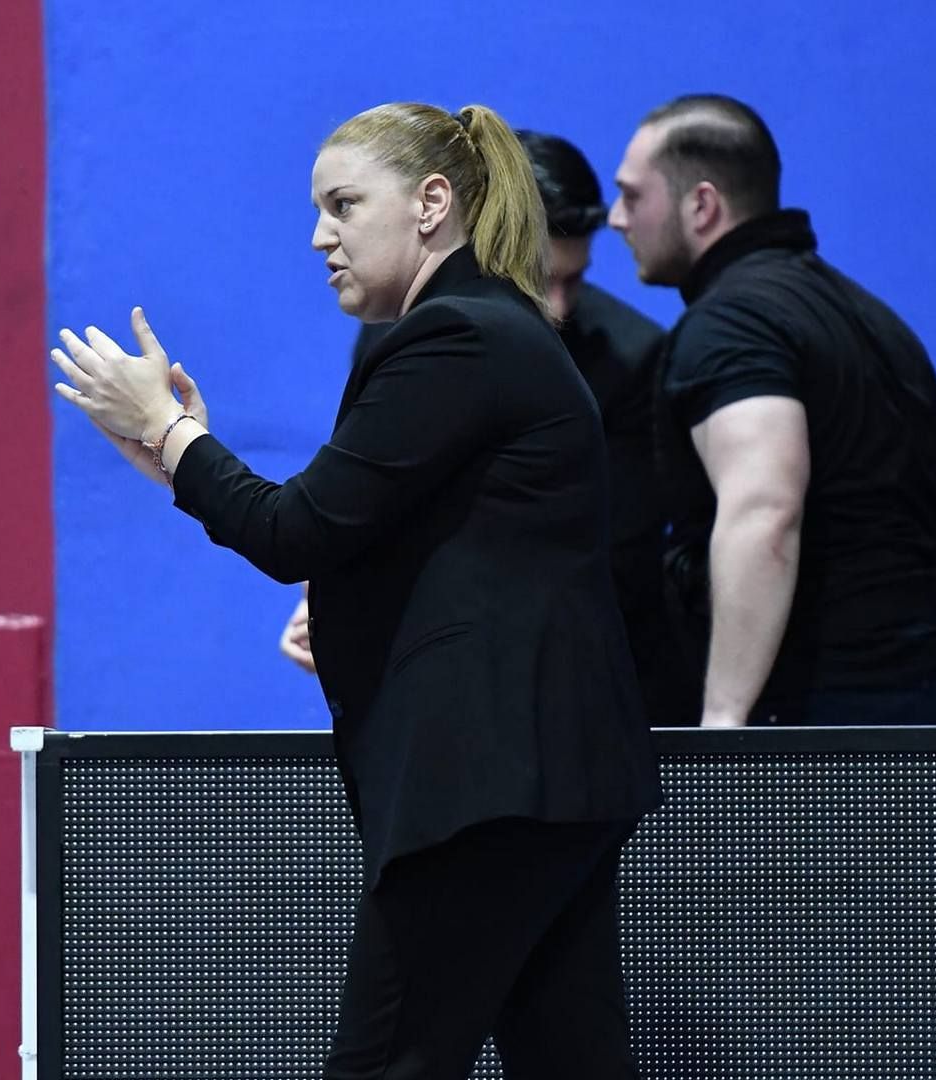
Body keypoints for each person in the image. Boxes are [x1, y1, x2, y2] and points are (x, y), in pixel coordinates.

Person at [51, 101, 659, 1079]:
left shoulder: (456, 337)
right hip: (546, 778)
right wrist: (178, 456)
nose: (318, 236)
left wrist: (171, 431)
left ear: (431, 204)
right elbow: (376, 536)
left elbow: (296, 531)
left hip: (488, 784)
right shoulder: (487, 332)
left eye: (342, 204)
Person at [606, 93, 936, 728]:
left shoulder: (731, 326)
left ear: (701, 205)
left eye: (632, 195)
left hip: (816, 729)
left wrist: (724, 720)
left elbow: (766, 509)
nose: (617, 218)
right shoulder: (877, 320)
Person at [280, 129, 690, 724]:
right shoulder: (401, 330)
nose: (556, 308)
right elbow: (366, 496)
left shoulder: (634, 358)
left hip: (578, 694)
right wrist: (327, 598)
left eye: (574, 281)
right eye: (539, 279)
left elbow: (610, 559)